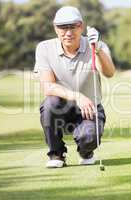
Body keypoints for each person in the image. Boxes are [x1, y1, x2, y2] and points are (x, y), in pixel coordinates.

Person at [34, 6, 115, 168]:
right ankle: (56, 154)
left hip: (90, 108)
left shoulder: (97, 45)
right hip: (61, 107)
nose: (68, 32)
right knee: (50, 103)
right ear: (55, 29)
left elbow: (109, 73)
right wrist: (77, 96)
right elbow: (48, 86)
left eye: (73, 26)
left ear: (81, 27)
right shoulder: (44, 48)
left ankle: (85, 151)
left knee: (89, 137)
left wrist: (97, 49)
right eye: (63, 27)